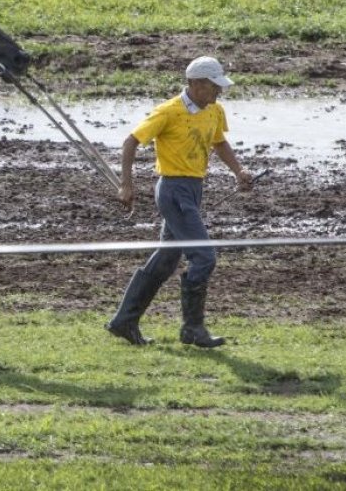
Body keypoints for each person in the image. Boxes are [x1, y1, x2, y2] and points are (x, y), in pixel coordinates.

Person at [106, 55, 253, 348]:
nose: (219, 92)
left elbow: (219, 142)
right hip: (173, 191)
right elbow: (130, 142)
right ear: (197, 84)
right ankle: (192, 329)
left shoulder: (214, 111)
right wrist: (126, 184)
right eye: (214, 87)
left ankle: (124, 320)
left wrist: (239, 170)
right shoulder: (168, 112)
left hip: (194, 189)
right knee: (204, 257)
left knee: (166, 258)